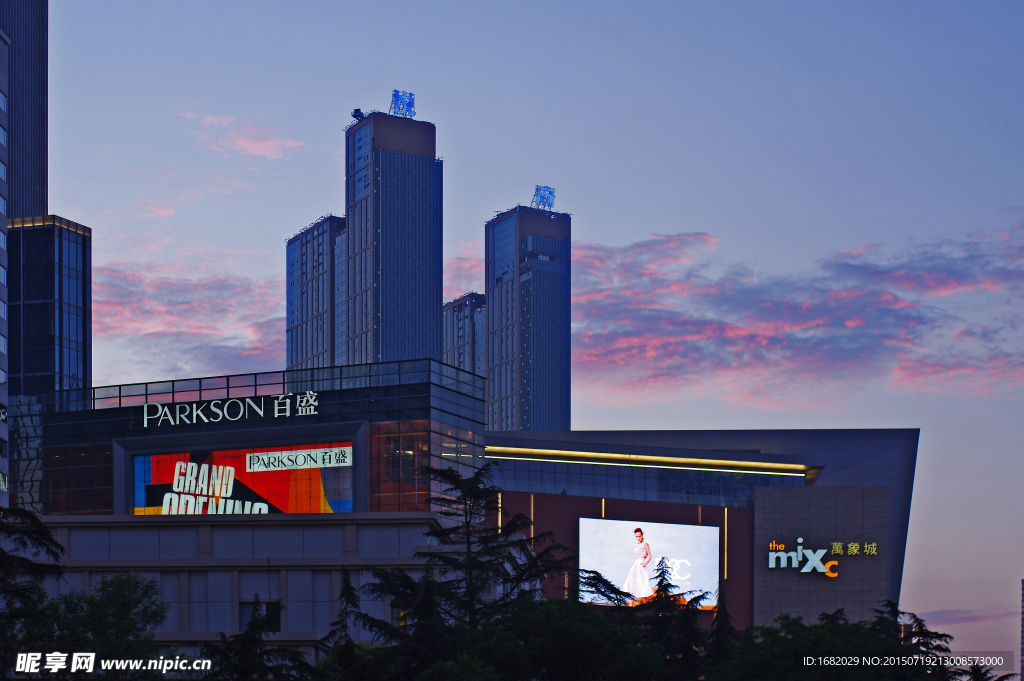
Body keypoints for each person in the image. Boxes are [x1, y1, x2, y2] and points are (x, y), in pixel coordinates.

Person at [622, 527, 654, 603]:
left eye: (639, 536)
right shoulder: (636, 545)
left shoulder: (645, 544)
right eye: (636, 536)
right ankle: (631, 602)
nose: (638, 538)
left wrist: (645, 563)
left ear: (642, 535)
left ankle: (645, 603)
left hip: (641, 564)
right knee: (632, 581)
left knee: (642, 582)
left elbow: (649, 556)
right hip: (636, 564)